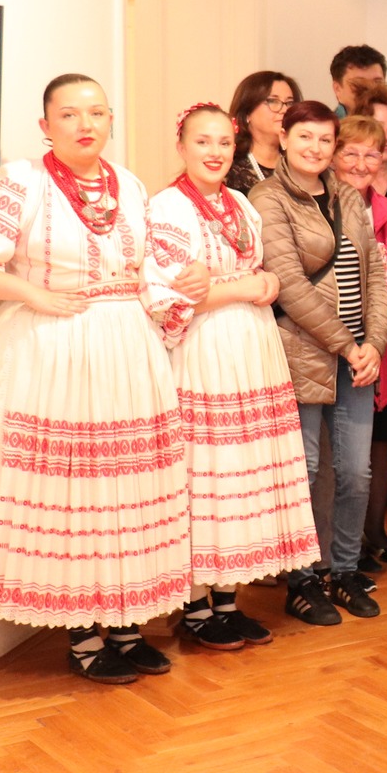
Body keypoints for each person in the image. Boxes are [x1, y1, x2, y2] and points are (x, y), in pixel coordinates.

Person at [0, 74, 199, 684]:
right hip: (54, 354)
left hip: (127, 350)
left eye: (96, 112)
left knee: (126, 488)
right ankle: (83, 635)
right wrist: (27, 292)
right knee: (75, 492)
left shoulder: (129, 184)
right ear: (45, 125)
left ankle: (127, 622)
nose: (84, 124)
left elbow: (148, 266)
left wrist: (183, 281)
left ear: (112, 119)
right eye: (68, 114)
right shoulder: (23, 182)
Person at [145, 103, 319, 651]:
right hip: (205, 353)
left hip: (251, 348)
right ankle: (196, 608)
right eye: (203, 141)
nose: (215, 152)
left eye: (224, 142)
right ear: (181, 147)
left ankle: (227, 601)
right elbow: (169, 298)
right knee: (209, 474)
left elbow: (251, 270)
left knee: (243, 473)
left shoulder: (240, 202)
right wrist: (245, 287)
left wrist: (265, 282)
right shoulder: (168, 208)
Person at [251, 101, 387, 625]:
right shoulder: (267, 198)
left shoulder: (348, 196)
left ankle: (345, 571)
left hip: (358, 355)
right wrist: (348, 345)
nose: (315, 147)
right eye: (304, 136)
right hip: (302, 352)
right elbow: (289, 284)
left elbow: (375, 275)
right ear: (284, 138)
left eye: (325, 139)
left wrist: (374, 342)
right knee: (305, 471)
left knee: (355, 471)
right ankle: (303, 579)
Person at [330, 115, 387, 576]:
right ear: (332, 155)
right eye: (350, 152)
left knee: (360, 462)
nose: (360, 163)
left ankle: (358, 547)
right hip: (316, 350)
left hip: (372, 353)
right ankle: (319, 561)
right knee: (321, 464)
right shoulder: (312, 208)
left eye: (371, 153)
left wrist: (373, 339)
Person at [226, 70, 300, 194]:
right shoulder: (229, 165)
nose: (284, 110)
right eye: (273, 101)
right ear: (247, 112)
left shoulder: (300, 161)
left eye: (289, 103)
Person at [328, 45, 387, 116]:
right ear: (337, 89)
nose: (370, 90)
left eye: (377, 83)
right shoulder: (329, 123)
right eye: (359, 84)